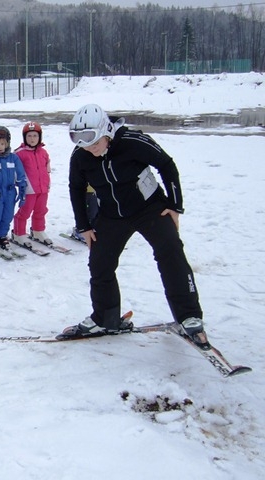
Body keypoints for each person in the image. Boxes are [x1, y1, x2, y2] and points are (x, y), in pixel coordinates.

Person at [65, 103, 207, 348]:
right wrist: (84, 226)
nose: (90, 149)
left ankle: (188, 316)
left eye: (94, 143)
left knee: (170, 251)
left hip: (150, 208)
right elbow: (76, 188)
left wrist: (175, 205)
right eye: (83, 144)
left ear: (106, 131)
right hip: (111, 214)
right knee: (100, 263)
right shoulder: (81, 156)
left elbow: (166, 164)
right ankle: (105, 318)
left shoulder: (134, 142)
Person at [12, 121, 52, 247]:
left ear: (40, 136)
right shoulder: (19, 153)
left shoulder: (43, 152)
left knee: (41, 210)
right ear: (25, 137)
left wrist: (47, 183)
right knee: (25, 211)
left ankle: (38, 230)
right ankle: (18, 233)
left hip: (43, 188)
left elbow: (47, 169)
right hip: (29, 189)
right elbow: (15, 172)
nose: (32, 139)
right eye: (29, 136)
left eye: (35, 135)